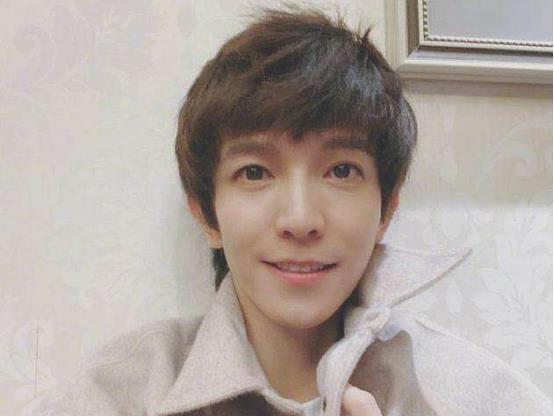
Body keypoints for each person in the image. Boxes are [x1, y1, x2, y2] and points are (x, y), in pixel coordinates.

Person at [25, 3, 551, 416]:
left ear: (386, 209)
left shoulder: (471, 393)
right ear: (206, 213)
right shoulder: (119, 391)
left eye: (341, 170)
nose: (300, 220)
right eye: (254, 172)